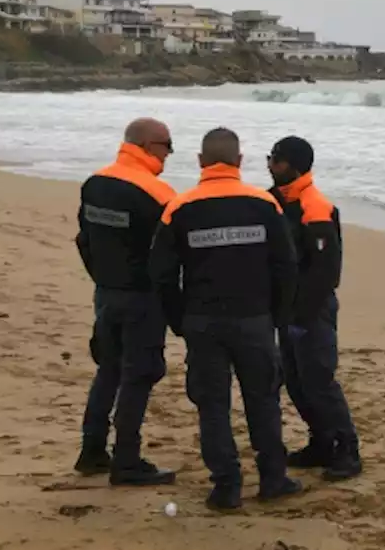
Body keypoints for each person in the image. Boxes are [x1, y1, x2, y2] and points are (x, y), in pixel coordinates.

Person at [149, 127, 302, 510]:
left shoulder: (180, 207)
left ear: (201, 162)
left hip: (203, 321)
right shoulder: (265, 205)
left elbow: (162, 273)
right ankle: (272, 478)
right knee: (263, 399)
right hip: (254, 319)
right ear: (240, 161)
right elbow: (286, 266)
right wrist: (277, 316)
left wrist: (178, 319)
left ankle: (226, 486)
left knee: (213, 405)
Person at [74, 117, 178, 486]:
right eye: (167, 146)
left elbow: (83, 239)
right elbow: (169, 259)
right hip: (142, 298)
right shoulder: (158, 194)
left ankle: (92, 450)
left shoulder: (95, 184)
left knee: (109, 369)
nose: (169, 154)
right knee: (139, 375)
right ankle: (127, 460)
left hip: (106, 291)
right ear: (150, 146)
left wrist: (102, 278)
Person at [267, 136, 363, 481]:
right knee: (294, 381)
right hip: (284, 310)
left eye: (275, 160)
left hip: (313, 310)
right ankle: (320, 442)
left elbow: (326, 271)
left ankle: (347, 449)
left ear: (292, 165)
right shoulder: (272, 201)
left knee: (319, 381)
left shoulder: (316, 207)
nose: (270, 164)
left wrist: (302, 315)